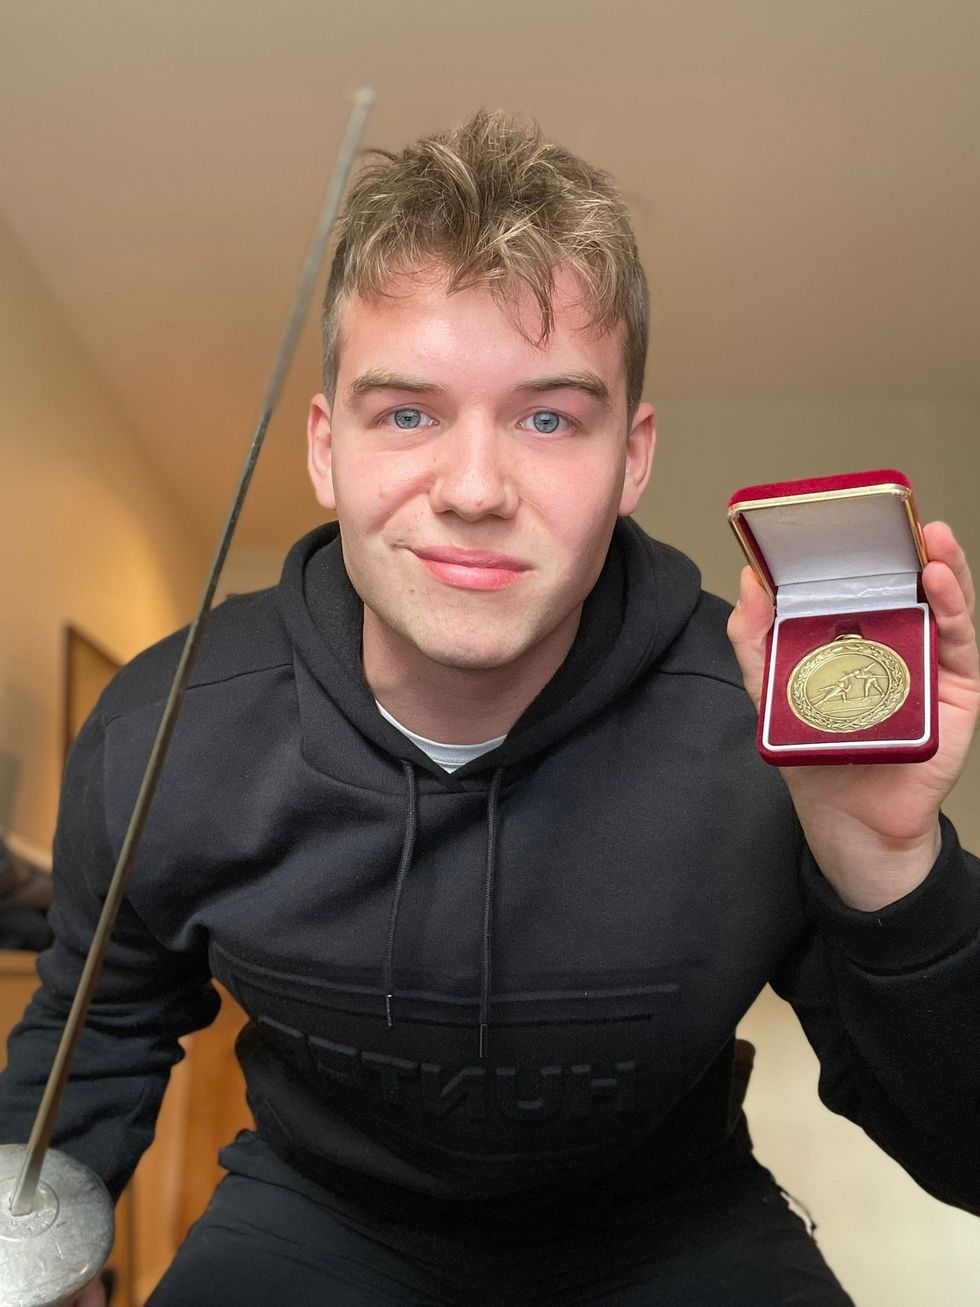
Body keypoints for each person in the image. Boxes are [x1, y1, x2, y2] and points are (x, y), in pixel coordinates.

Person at [2, 111, 978, 1307]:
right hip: (317, 1215)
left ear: (630, 457)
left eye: (548, 417)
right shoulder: (166, 724)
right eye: (406, 411)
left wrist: (887, 866)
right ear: (325, 447)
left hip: (670, 1223)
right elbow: (92, 1035)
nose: (471, 489)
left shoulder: (752, 722)